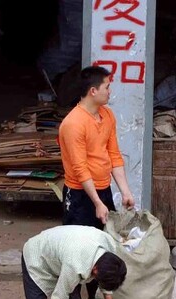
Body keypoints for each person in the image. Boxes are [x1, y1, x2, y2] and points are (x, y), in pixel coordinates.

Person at [58, 65, 136, 229]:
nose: (110, 91)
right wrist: (97, 203)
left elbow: (114, 155)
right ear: (93, 91)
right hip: (80, 194)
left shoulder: (107, 115)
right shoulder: (74, 123)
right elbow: (80, 168)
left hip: (103, 190)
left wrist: (125, 192)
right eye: (107, 87)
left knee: (104, 243)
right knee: (79, 244)